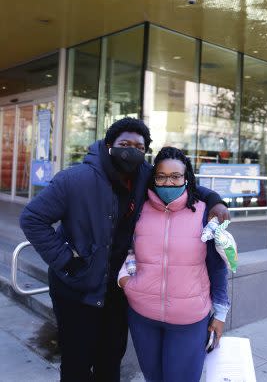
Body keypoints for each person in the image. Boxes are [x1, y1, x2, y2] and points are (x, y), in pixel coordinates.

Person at [20, 118, 229, 382]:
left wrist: (216, 201)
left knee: (110, 360)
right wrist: (65, 260)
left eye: (139, 146)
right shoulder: (74, 179)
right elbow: (32, 219)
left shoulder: (143, 175)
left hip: (115, 294)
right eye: (124, 144)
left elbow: (182, 179)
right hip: (76, 289)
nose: (131, 150)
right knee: (76, 364)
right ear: (109, 145)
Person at [118, 146, 230, 382]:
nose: (168, 183)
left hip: (188, 320)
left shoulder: (204, 213)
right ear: (153, 178)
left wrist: (220, 313)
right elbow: (123, 247)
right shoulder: (139, 209)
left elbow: (218, 267)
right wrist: (126, 281)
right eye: (161, 176)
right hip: (142, 316)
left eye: (176, 176)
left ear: (187, 177)